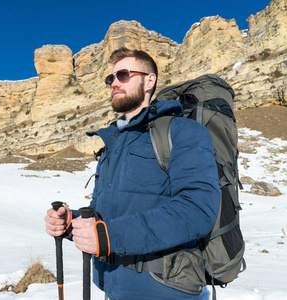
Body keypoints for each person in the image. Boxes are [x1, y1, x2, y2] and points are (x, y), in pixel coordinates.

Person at [45, 47, 220, 300]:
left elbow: (197, 209)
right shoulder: (112, 145)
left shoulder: (183, 131)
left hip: (166, 291)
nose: (114, 83)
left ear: (150, 80)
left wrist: (109, 237)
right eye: (110, 78)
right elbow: (104, 213)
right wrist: (70, 223)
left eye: (124, 75)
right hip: (112, 287)